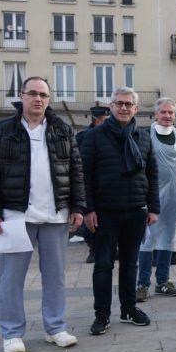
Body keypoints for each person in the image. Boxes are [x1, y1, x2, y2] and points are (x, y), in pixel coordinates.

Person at [0, 76, 84, 352]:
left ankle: (56, 328)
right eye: (33, 93)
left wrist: (78, 207)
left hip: (56, 215)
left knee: (56, 276)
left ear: (49, 99)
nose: (38, 99)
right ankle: (12, 334)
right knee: (11, 278)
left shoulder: (62, 130)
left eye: (44, 95)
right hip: (15, 217)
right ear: (21, 96)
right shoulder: (1, 130)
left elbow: (75, 171)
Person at [80, 87, 159, 336]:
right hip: (105, 212)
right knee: (103, 264)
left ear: (136, 109)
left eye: (129, 104)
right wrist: (88, 209)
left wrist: (153, 208)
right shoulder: (94, 136)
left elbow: (152, 173)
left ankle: (128, 309)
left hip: (136, 210)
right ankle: (102, 315)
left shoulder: (143, 136)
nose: (124, 108)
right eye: (119, 103)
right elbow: (84, 175)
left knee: (130, 263)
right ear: (111, 107)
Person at [136, 98, 176, 302]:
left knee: (168, 237)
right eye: (163, 112)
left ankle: (162, 282)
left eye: (171, 113)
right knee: (147, 239)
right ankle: (142, 284)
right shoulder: (144, 136)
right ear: (155, 114)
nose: (167, 116)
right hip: (151, 194)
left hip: (173, 196)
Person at [76, 106, 110, 263]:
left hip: (108, 185)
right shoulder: (83, 136)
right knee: (90, 223)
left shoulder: (111, 135)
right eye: (105, 120)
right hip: (90, 185)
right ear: (97, 120)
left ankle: (111, 249)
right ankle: (93, 249)